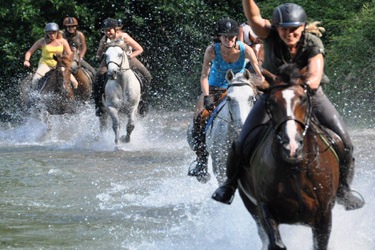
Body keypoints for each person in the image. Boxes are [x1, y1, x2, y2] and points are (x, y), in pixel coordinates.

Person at [211, 1, 364, 211]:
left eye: (294, 29)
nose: (289, 34)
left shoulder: (312, 42)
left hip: (309, 95)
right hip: (273, 96)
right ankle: (229, 186)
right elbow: (254, 18)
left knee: (345, 142)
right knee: (241, 141)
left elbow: (314, 78)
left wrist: (293, 88)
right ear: (276, 27)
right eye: (284, 29)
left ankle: (344, 190)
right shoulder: (269, 35)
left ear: (303, 27)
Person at [188, 17, 264, 177]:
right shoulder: (211, 50)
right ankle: (201, 160)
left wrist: (249, 82)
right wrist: (206, 95)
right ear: (219, 37)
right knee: (200, 118)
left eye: (231, 37)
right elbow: (203, 76)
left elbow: (260, 76)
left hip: (240, 88)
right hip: (215, 88)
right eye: (225, 37)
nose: (228, 40)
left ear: (236, 36)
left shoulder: (247, 50)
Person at [93, 18, 152, 116]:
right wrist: (98, 56)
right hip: (110, 60)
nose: (107, 32)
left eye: (109, 30)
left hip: (127, 59)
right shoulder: (104, 39)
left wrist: (129, 56)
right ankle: (99, 105)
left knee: (147, 75)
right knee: (98, 76)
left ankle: (143, 104)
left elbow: (139, 49)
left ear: (115, 29)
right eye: (105, 30)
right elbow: (99, 52)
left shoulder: (124, 37)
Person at [23, 22, 78, 89]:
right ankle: (35, 97)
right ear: (46, 33)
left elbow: (69, 53)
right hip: (45, 64)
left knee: (75, 82)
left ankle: (74, 99)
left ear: (57, 32)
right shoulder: (42, 41)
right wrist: (26, 60)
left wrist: (70, 60)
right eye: (50, 33)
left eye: (54, 33)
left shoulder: (63, 41)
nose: (52, 35)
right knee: (35, 80)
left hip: (59, 65)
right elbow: (29, 52)